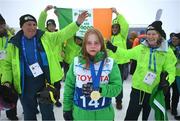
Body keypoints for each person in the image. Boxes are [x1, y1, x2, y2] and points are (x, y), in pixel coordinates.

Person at [1, 11, 88, 120]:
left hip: (44, 83)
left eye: (34, 24)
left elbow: (62, 34)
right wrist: (6, 81)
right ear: (22, 26)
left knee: (47, 113)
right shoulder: (13, 43)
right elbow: (7, 65)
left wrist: (77, 23)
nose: (32, 27)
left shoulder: (45, 37)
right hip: (24, 84)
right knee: (29, 114)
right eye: (29, 24)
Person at [106, 21, 177, 120]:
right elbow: (126, 54)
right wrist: (114, 48)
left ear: (159, 35)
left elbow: (171, 71)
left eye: (154, 34)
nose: (151, 36)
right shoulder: (141, 48)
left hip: (153, 91)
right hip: (137, 90)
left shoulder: (167, 51)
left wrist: (167, 81)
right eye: (148, 34)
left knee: (148, 118)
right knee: (130, 117)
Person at [63, 28, 122, 120]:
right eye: (89, 43)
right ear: (84, 45)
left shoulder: (110, 63)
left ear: (101, 44)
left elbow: (117, 88)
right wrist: (67, 109)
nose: (92, 46)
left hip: (104, 115)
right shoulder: (76, 62)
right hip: (81, 115)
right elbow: (69, 88)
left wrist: (101, 89)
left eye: (96, 43)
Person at [38, 5, 63, 107]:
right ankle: (48, 98)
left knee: (57, 84)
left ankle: (56, 99)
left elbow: (65, 29)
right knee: (48, 83)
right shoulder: (44, 35)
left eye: (53, 25)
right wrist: (45, 11)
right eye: (49, 25)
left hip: (58, 62)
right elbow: (39, 24)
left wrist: (59, 16)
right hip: (48, 63)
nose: (51, 27)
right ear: (47, 27)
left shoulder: (58, 35)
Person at [106, 8, 129, 110]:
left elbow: (125, 25)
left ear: (119, 28)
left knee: (118, 83)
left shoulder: (123, 35)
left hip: (120, 64)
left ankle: (118, 101)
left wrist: (117, 13)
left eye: (116, 27)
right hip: (109, 64)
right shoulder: (108, 36)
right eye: (113, 27)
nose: (114, 28)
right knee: (107, 82)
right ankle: (107, 100)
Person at [0, 14, 18, 120]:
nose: (1, 28)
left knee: (10, 96)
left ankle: (12, 115)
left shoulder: (12, 39)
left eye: (2, 25)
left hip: (9, 74)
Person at [165, 33, 180, 116]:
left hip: (178, 75)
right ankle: (167, 105)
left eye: (176, 39)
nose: (174, 40)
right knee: (166, 90)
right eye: (173, 39)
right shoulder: (168, 46)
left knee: (176, 93)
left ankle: (174, 108)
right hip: (168, 73)